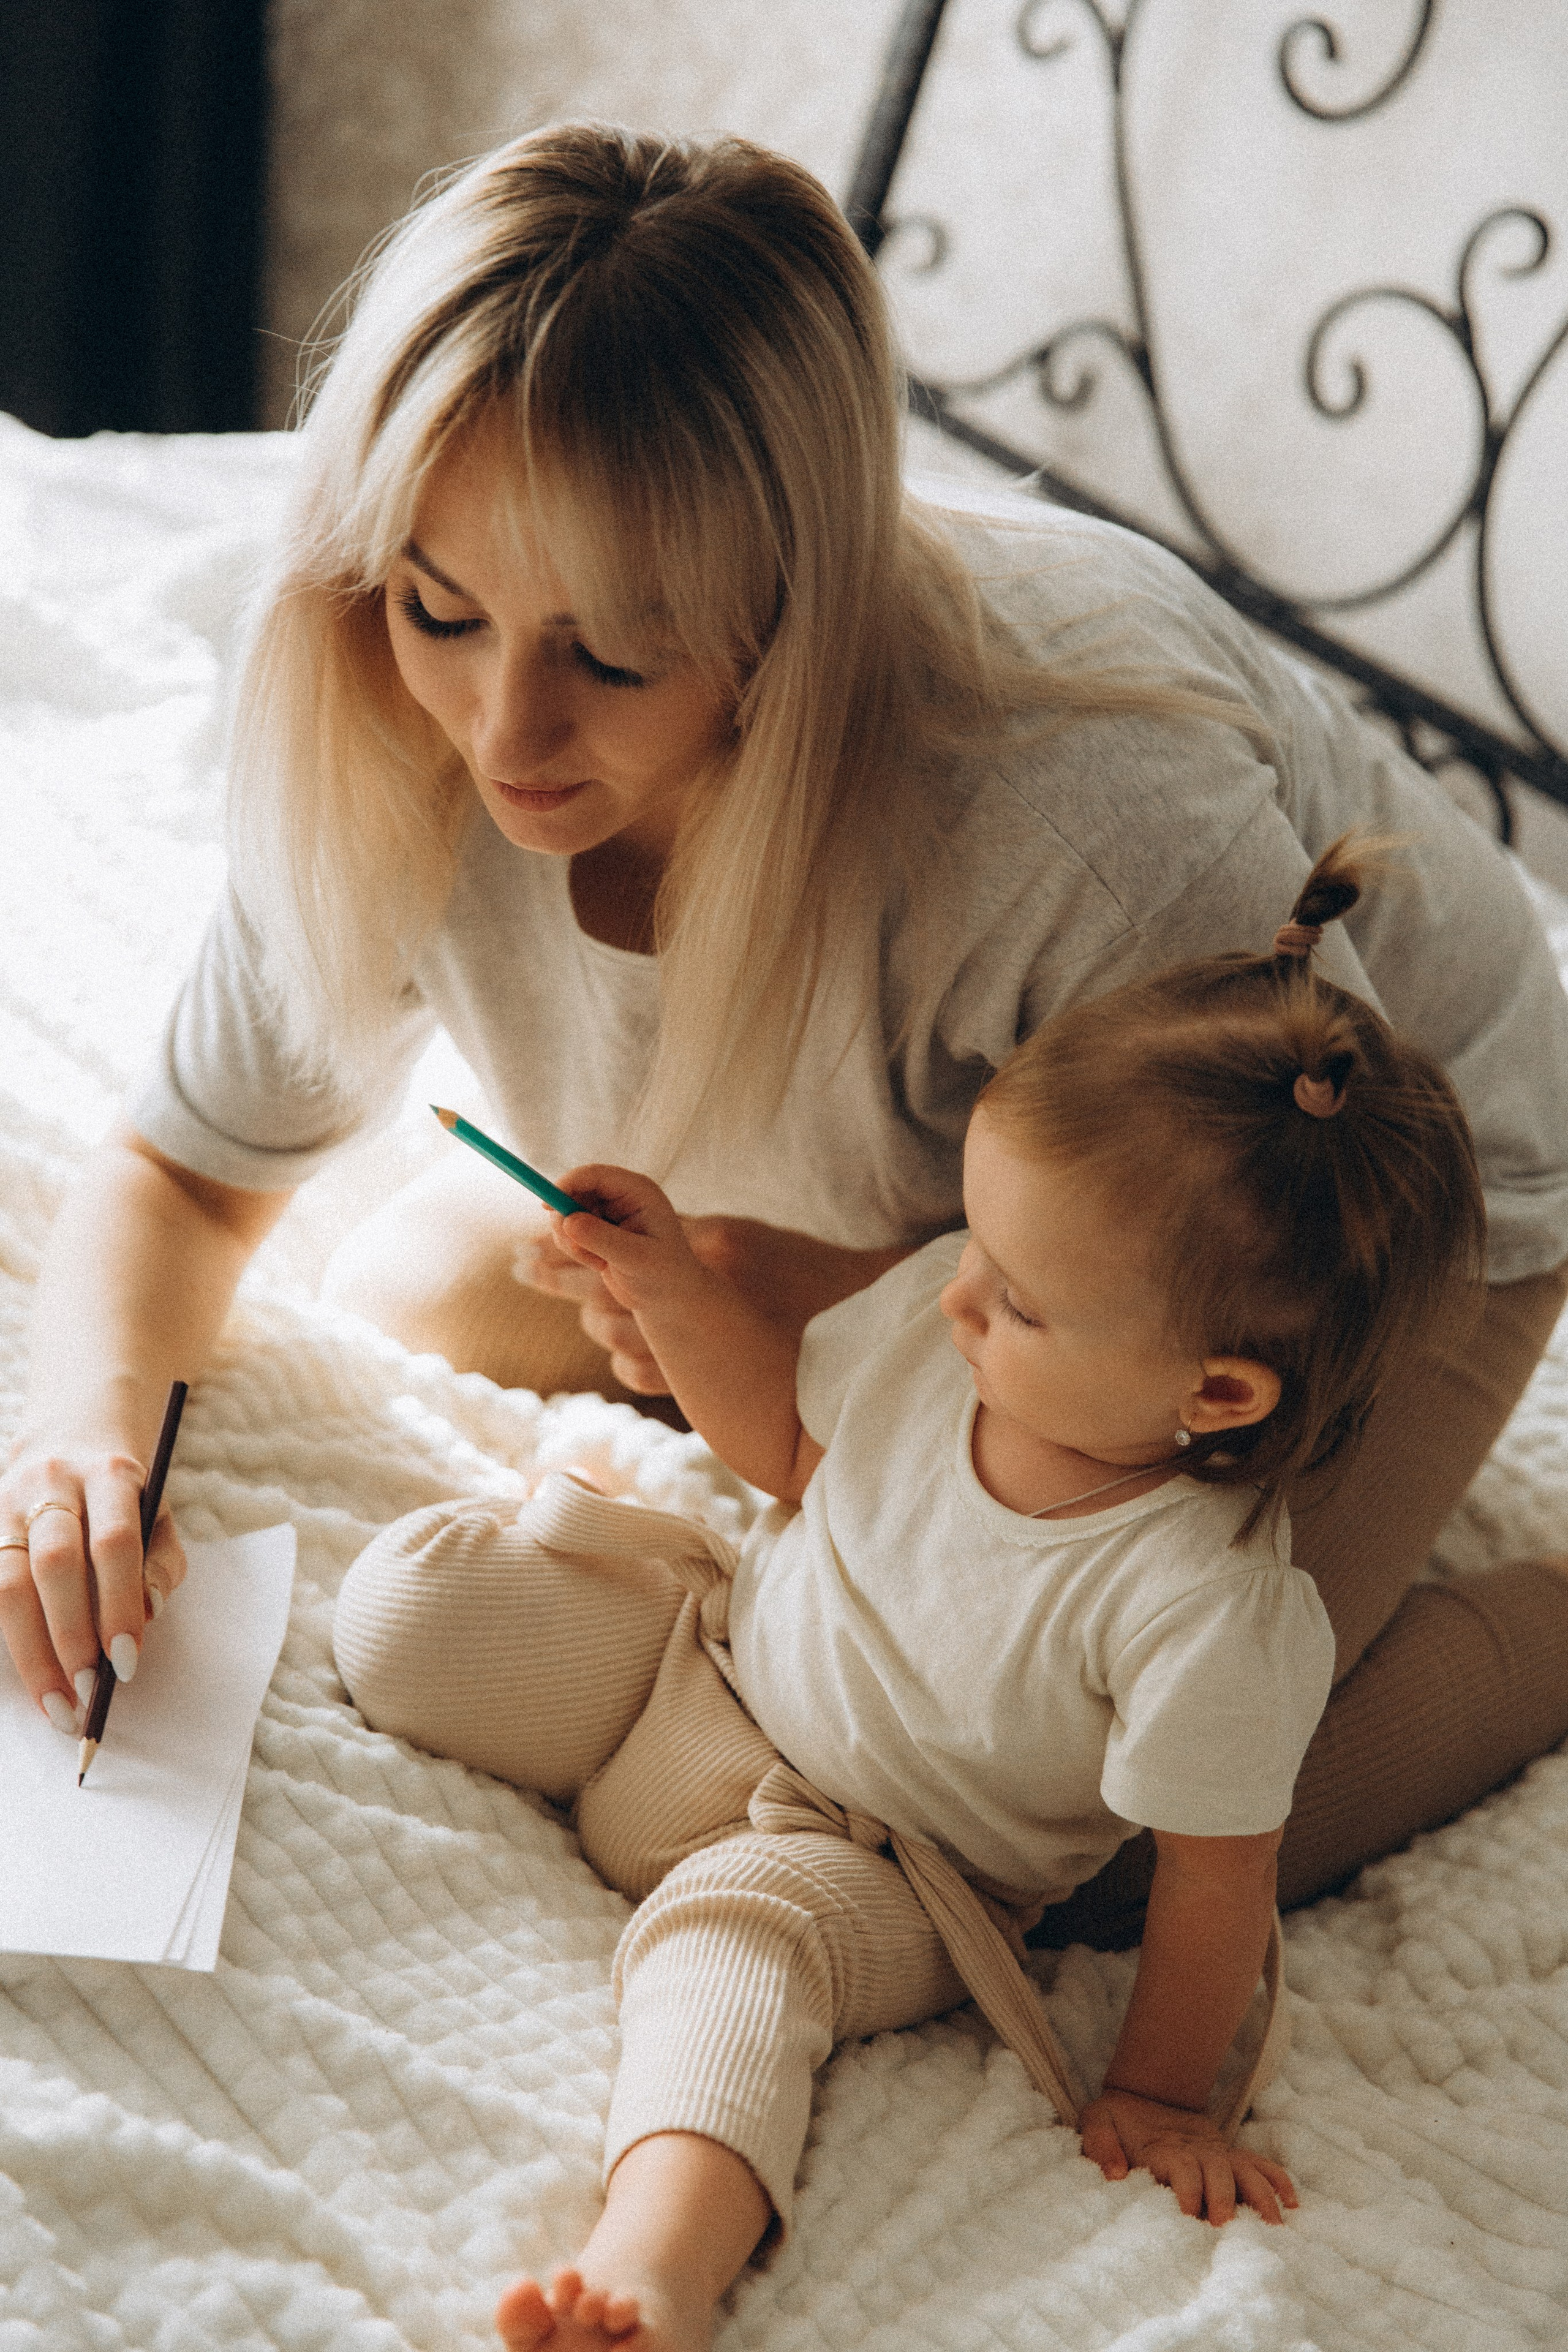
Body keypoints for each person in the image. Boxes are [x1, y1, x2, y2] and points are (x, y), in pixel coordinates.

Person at [3, 121, 1567, 1923]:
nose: (507, 736)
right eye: (444, 608)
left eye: (614, 656)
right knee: (400, 1300)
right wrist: (83, 1453)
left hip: (1329, 1208)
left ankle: (1546, 1635)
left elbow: (1265, 1282)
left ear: (790, 622)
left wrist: (820, 1312)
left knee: (1083, 1831)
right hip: (948, 1198)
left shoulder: (1090, 838)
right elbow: (188, 1175)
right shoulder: (391, 720)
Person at [332, 841, 1491, 2348]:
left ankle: (651, 2273)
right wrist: (675, 1287)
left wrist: (1154, 2095)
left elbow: (1214, 1882)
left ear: (1211, 1390)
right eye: (977, 1245)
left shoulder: (1200, 1616)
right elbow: (797, 1456)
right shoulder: (945, 1319)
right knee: (411, 1611)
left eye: (1017, 1298)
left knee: (733, 1958)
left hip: (882, 1864)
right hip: (712, 1665)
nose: (955, 1293)